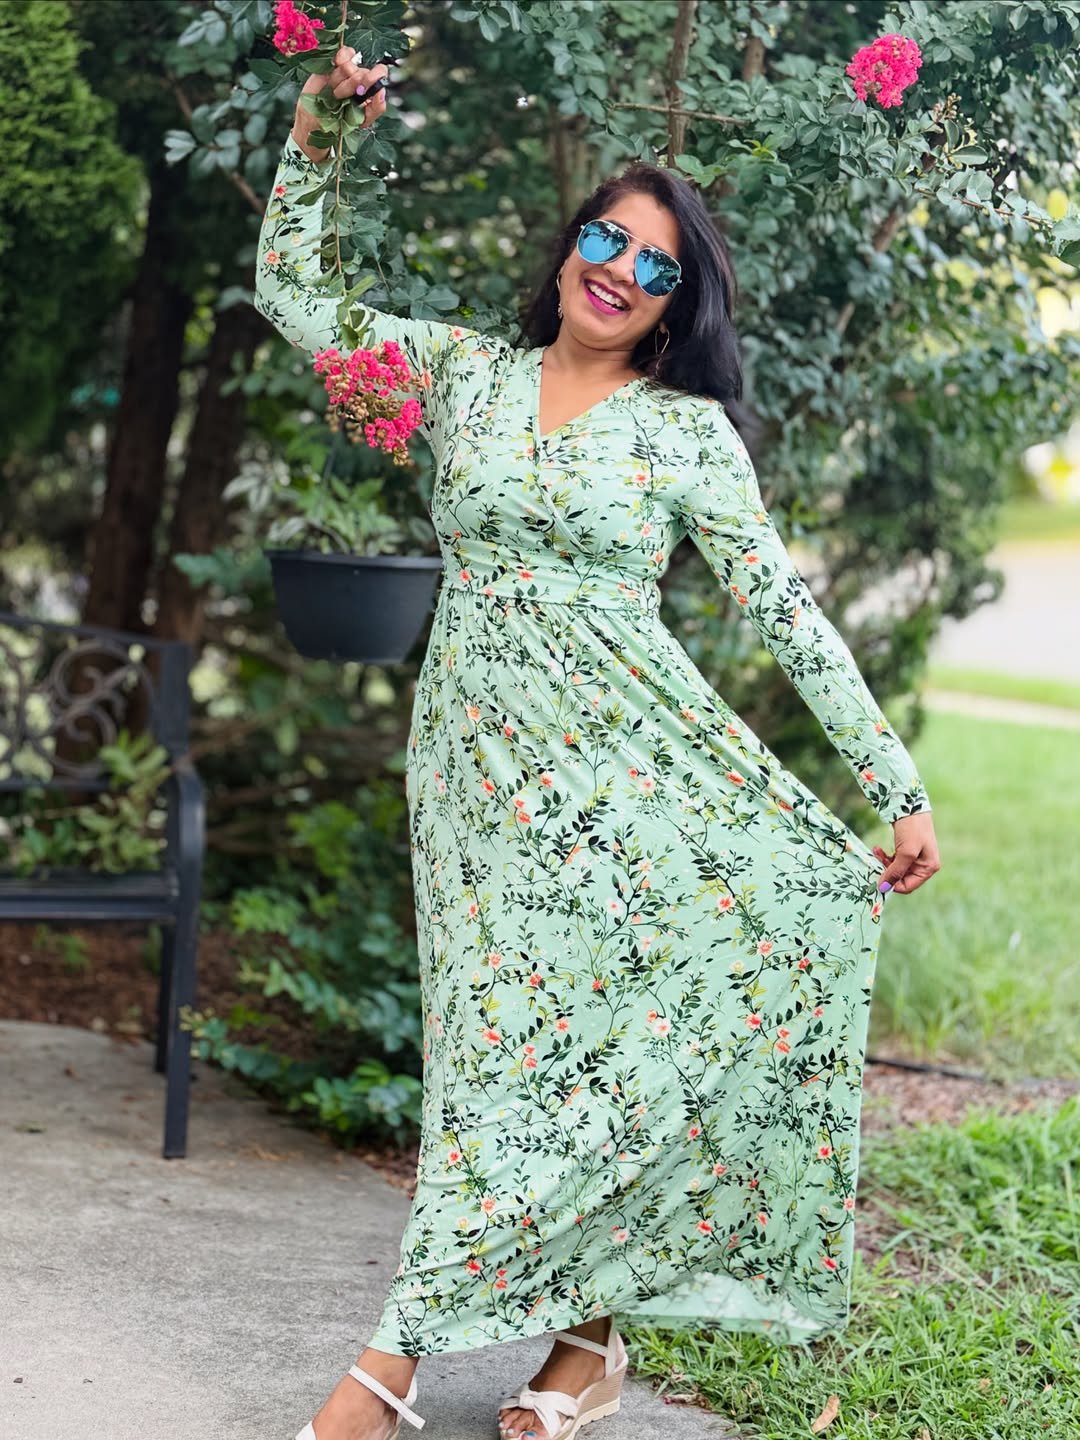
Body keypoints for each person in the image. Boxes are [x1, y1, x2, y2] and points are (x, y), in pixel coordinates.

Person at [254, 45, 941, 1440]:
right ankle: (591, 1343)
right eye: (607, 241)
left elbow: (782, 610)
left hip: (631, 764)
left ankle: (395, 1369)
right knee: (495, 1049)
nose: (620, 271)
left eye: (655, 266)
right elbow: (294, 293)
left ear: (677, 306)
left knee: (612, 1035)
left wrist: (893, 782)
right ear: (572, 246)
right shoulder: (460, 375)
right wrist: (317, 130)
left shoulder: (687, 437)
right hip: (475, 771)